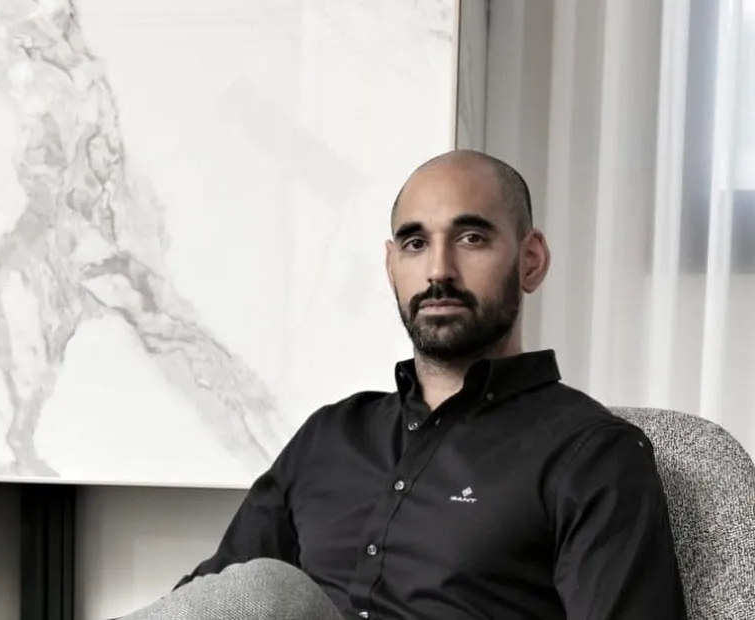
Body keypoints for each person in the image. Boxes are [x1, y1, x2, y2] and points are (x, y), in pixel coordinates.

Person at [118, 150, 687, 620]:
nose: (439, 270)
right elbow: (209, 602)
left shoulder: (591, 455)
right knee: (255, 591)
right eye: (415, 244)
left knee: (269, 589)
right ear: (391, 266)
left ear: (531, 260)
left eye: (471, 238)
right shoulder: (329, 437)